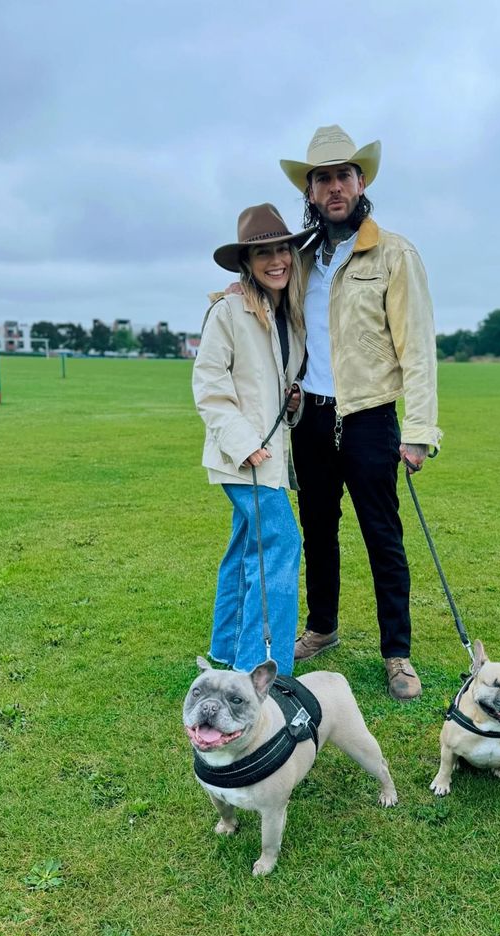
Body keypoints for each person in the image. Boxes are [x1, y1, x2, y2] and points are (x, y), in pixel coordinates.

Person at [279, 125, 442, 700]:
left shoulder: (393, 252)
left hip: (372, 418)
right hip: (312, 419)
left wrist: (419, 430)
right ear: (311, 189)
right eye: (322, 178)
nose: (333, 188)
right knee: (317, 530)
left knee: (383, 535)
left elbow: (417, 347)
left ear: (361, 181)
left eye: (343, 175)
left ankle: (397, 653)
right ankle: (321, 628)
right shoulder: (298, 259)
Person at [192, 204, 314, 676]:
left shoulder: (285, 312)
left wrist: (292, 401)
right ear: (247, 261)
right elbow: (209, 389)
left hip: (270, 454)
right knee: (282, 544)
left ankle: (225, 651)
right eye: (263, 252)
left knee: (246, 547)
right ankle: (262, 669)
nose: (276, 259)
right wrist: (245, 443)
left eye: (282, 248)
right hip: (243, 458)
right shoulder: (227, 311)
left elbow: (269, 385)